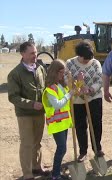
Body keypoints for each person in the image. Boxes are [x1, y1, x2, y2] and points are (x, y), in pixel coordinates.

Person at [7, 42, 50, 180]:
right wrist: (31, 104)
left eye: (36, 52)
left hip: (40, 113)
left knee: (37, 142)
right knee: (27, 143)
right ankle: (27, 174)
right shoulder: (15, 74)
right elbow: (13, 97)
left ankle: (37, 167)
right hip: (25, 114)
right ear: (22, 54)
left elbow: (46, 87)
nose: (35, 55)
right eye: (31, 53)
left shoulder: (40, 69)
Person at [65, 41, 104, 162]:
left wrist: (90, 89)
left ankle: (97, 148)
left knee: (96, 124)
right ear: (79, 55)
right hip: (77, 101)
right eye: (85, 59)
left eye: (89, 58)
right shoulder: (70, 63)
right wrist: (78, 86)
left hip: (94, 98)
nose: (88, 61)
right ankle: (83, 151)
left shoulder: (96, 63)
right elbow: (67, 81)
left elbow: (100, 80)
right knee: (80, 126)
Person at [42, 60, 73, 180]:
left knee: (63, 148)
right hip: (56, 124)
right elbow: (57, 105)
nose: (62, 74)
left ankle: (57, 172)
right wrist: (68, 95)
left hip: (63, 122)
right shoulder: (50, 89)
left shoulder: (61, 86)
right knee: (61, 148)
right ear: (54, 72)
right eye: (60, 72)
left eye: (63, 72)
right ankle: (55, 175)